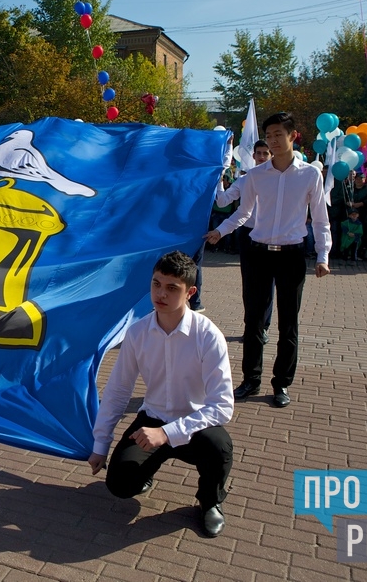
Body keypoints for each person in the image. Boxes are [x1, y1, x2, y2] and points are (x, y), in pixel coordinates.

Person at [88, 251, 233, 538]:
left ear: (190, 292)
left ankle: (209, 502)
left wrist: (169, 433)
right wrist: (100, 443)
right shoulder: (137, 332)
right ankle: (145, 473)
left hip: (195, 426)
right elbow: (118, 390)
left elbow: (222, 406)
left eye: (171, 288)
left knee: (219, 446)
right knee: (119, 485)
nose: (160, 294)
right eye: (156, 284)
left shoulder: (208, 335)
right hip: (152, 420)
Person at [205, 112, 331, 409]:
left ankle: (281, 383)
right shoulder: (255, 176)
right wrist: (220, 232)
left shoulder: (310, 174)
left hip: (292, 255)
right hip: (258, 254)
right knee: (253, 321)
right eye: (269, 135)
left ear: (292, 136)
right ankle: (251, 379)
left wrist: (323, 255)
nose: (273, 141)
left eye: (278, 134)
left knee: (288, 323)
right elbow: (243, 212)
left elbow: (321, 220)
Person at [215, 140, 274, 344]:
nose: (261, 157)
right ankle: (251, 326)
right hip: (248, 235)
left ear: (271, 155)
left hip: (270, 236)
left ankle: (263, 327)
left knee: (267, 284)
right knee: (249, 284)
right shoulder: (245, 179)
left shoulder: (277, 180)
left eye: (265, 153)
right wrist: (220, 178)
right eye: (258, 153)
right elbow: (222, 201)